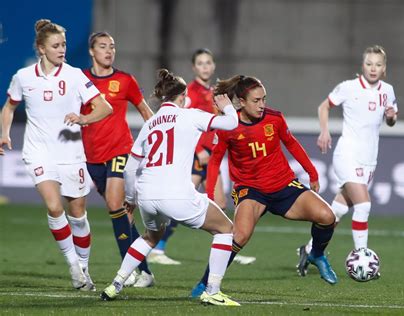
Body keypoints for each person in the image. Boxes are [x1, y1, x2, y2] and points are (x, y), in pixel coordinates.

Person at [100, 69, 241, 306]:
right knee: (226, 229)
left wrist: (132, 199)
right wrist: (226, 105)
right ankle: (213, 290)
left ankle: (116, 283)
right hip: (175, 194)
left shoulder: (150, 123)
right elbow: (231, 123)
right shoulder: (190, 115)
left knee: (150, 237)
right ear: (183, 95)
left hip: (146, 195)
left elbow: (130, 168)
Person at [190, 75, 338, 298]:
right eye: (256, 100)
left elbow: (292, 144)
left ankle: (316, 254)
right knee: (239, 236)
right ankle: (205, 283)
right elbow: (214, 161)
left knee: (327, 216)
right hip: (250, 190)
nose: (262, 105)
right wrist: (211, 195)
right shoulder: (228, 126)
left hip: (283, 184)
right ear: (241, 102)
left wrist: (312, 172)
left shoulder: (274, 119)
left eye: (264, 99)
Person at [0, 19, 112, 290]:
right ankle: (74, 266)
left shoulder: (75, 75)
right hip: (38, 152)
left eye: (63, 44)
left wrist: (83, 119)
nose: (62, 49)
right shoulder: (23, 77)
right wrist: (4, 133)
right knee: (53, 206)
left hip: (71, 153)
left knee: (78, 216)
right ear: (41, 48)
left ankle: (84, 268)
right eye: (56, 45)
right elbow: (9, 107)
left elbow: (104, 108)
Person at [296, 45, 398, 277]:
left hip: (369, 159)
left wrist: (391, 117)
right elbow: (324, 106)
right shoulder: (349, 87)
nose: (373, 68)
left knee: (337, 211)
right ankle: (363, 260)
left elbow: (391, 119)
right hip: (347, 154)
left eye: (378, 65)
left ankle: (309, 249)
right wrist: (324, 131)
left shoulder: (388, 91)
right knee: (363, 205)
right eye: (369, 64)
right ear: (363, 65)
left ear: (384, 68)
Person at [147, 48, 256, 266]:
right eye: (200, 63)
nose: (205, 66)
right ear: (194, 67)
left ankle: (228, 246)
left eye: (208, 62)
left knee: (221, 202)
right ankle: (157, 248)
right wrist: (198, 150)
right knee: (178, 202)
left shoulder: (214, 92)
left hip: (212, 157)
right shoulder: (190, 93)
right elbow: (181, 123)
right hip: (196, 158)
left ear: (213, 65)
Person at [81, 31, 155, 287]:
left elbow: (145, 110)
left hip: (120, 149)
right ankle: (143, 271)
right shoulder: (80, 79)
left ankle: (129, 271)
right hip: (92, 156)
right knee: (122, 213)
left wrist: (160, 136)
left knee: (115, 204)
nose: (109, 51)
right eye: (103, 47)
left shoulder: (125, 80)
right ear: (92, 51)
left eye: (112, 46)